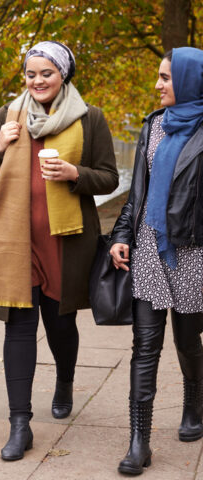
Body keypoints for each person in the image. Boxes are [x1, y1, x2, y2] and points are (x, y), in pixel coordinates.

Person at [0, 41, 118, 461]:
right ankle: (19, 424)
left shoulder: (89, 119)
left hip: (67, 243)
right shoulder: (8, 115)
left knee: (60, 326)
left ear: (63, 75)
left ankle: (65, 380)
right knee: (18, 328)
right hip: (16, 243)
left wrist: (76, 173)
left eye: (46, 73)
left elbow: (109, 178)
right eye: (31, 74)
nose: (37, 81)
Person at [110, 47, 203, 476]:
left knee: (187, 342)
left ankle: (194, 404)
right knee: (145, 346)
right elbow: (138, 193)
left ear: (188, 80)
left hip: (193, 252)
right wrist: (121, 235)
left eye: (166, 78)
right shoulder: (154, 126)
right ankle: (139, 442)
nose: (158, 85)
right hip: (149, 246)